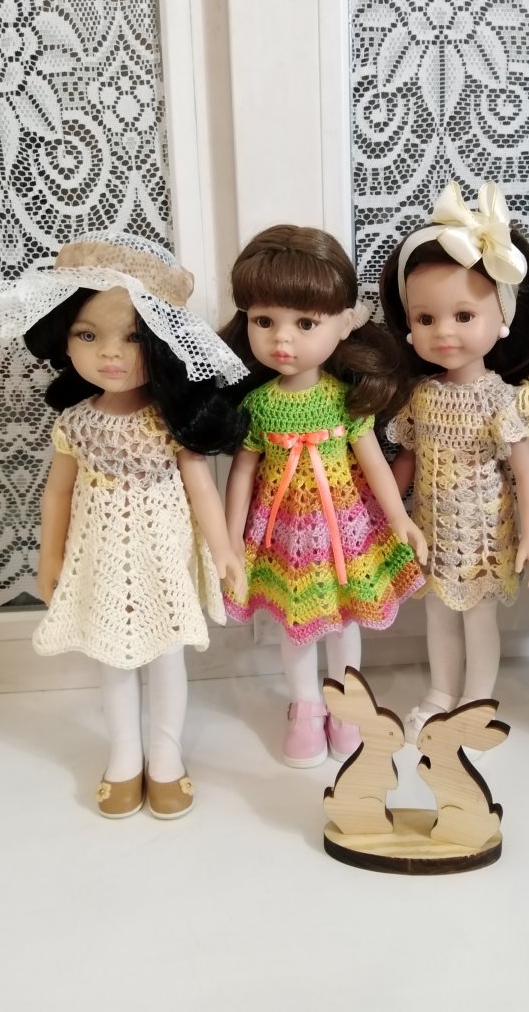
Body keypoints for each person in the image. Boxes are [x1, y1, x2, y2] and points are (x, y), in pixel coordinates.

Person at [0, 232, 247, 818]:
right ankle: (124, 755)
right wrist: (50, 557)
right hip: (102, 556)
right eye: (88, 335)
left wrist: (224, 551)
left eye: (133, 337)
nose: (110, 354)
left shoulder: (170, 422)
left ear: (161, 342)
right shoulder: (76, 422)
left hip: (162, 555)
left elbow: (201, 489)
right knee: (112, 658)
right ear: (65, 338)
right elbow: (58, 492)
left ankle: (165, 755)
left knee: (167, 657)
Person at [379, 181, 529, 741]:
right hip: (431, 532)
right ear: (409, 324)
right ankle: (440, 691)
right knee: (437, 615)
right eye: (425, 318)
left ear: (500, 317)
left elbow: (526, 474)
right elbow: (406, 461)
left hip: (483, 538)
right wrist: (384, 513)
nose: (443, 332)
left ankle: (477, 700)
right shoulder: (420, 397)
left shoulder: (502, 400)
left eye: (463, 315)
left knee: (478, 620)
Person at [219, 225, 427, 768]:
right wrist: (229, 539)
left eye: (305, 323)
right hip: (284, 536)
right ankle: (306, 707)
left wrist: (400, 519)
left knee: (345, 623)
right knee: (297, 624)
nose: (282, 340)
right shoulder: (260, 404)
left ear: (345, 323)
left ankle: (347, 706)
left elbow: (373, 461)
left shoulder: (343, 400)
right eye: (264, 321)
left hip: (345, 535)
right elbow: (242, 471)